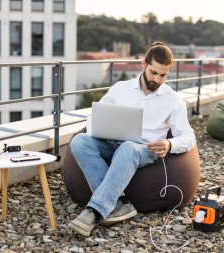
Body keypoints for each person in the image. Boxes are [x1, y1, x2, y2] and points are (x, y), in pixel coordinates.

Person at [68, 41, 197, 237]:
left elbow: (188, 136)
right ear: (143, 64)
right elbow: (94, 116)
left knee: (128, 147)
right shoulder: (121, 88)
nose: (158, 79)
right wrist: (98, 131)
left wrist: (169, 144)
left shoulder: (173, 99)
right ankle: (120, 204)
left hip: (144, 150)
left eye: (163, 75)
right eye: (154, 72)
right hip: (112, 143)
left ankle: (93, 211)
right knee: (79, 141)